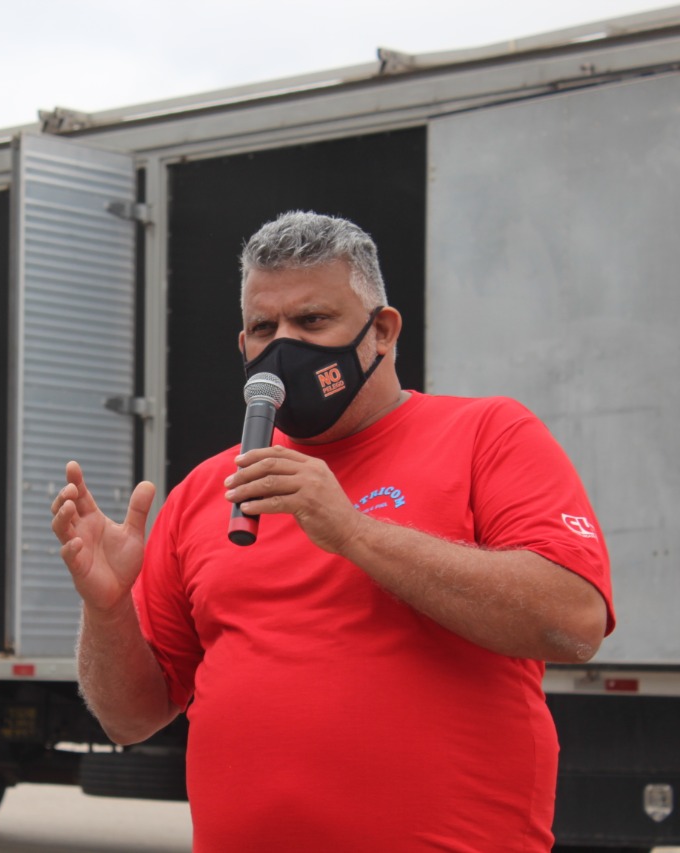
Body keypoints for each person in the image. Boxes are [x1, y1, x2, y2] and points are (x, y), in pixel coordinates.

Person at [51, 211, 613, 851]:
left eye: (312, 321)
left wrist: (352, 532)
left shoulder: (488, 435)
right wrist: (107, 608)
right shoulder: (209, 489)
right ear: (245, 348)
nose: (284, 345)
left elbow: (572, 621)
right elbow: (130, 716)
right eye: (265, 327)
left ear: (382, 331)